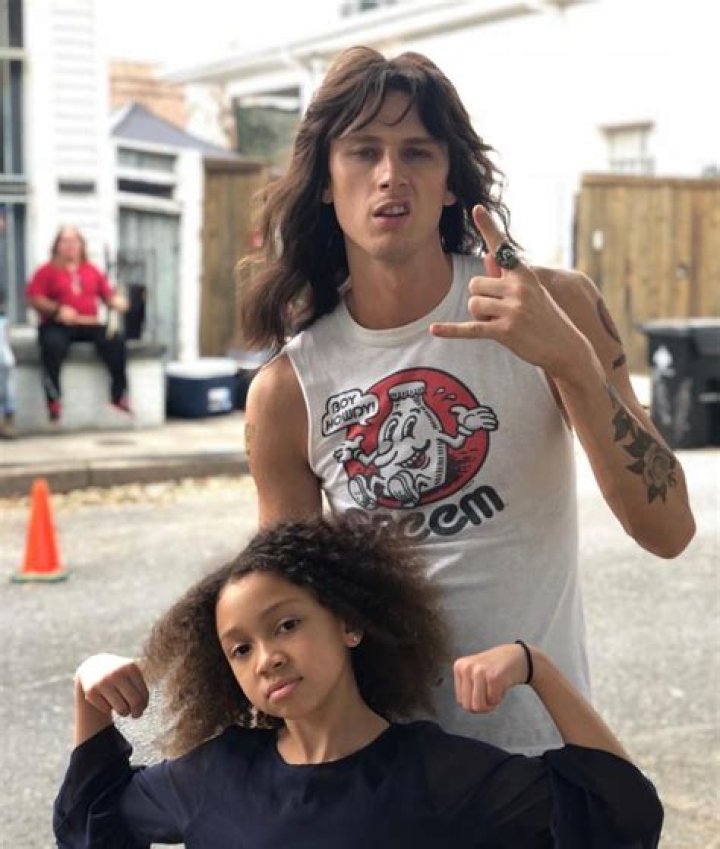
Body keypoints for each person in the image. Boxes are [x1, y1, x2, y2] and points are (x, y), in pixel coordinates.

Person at [239, 47, 696, 753]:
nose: (390, 174)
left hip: (542, 762)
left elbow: (669, 531)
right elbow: (285, 614)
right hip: (390, 774)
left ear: (450, 180)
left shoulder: (552, 306)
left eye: (417, 152)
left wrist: (571, 362)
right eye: (363, 151)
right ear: (326, 181)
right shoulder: (287, 390)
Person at [54, 516, 663, 848]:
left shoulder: (435, 773)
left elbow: (620, 814)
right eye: (240, 649)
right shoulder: (216, 775)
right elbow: (91, 823)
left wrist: (536, 667)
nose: (267, 658)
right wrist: (89, 689)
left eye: (287, 625)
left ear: (347, 623)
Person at [26, 226, 131, 422]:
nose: (70, 245)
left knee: (115, 340)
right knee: (51, 345)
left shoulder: (92, 270)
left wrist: (117, 302)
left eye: (75, 241)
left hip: (88, 323)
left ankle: (119, 396)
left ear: (82, 245)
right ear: (57, 246)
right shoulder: (46, 271)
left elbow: (108, 296)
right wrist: (57, 310)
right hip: (57, 324)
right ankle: (54, 401)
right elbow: (34, 299)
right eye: (65, 241)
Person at [0, 293, 16, 439]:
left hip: (4, 361)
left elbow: (7, 340)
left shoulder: (4, 321)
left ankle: (7, 423)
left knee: (7, 392)